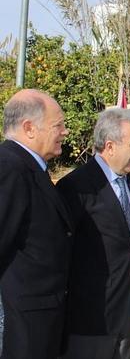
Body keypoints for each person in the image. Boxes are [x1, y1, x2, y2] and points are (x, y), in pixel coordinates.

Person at [56, 108, 130, 358]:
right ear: (110, 146)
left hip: (127, 315)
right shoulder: (75, 188)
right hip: (90, 321)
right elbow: (62, 255)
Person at [0, 89, 72, 358]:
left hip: (40, 321)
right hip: (22, 327)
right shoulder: (9, 168)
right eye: (58, 125)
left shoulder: (30, 167)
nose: (65, 131)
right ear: (29, 128)